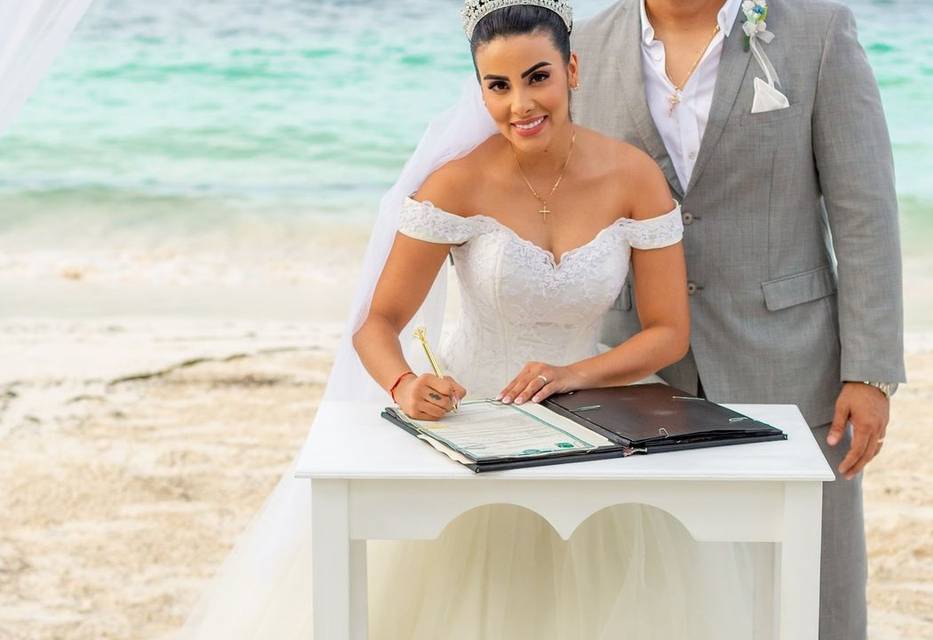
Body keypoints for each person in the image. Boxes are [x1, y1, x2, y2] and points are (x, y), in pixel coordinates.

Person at [179, 1, 766, 637]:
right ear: (480, 88)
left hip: (592, 423)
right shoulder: (457, 184)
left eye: (537, 77)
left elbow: (666, 333)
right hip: (473, 422)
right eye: (499, 85)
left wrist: (574, 374)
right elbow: (378, 322)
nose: (521, 104)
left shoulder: (633, 177)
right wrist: (405, 386)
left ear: (572, 69)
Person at [570, 0, 906, 637]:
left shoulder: (818, 30)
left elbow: (864, 209)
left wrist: (871, 370)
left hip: (791, 364)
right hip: (637, 374)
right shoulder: (584, 42)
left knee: (815, 588)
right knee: (659, 589)